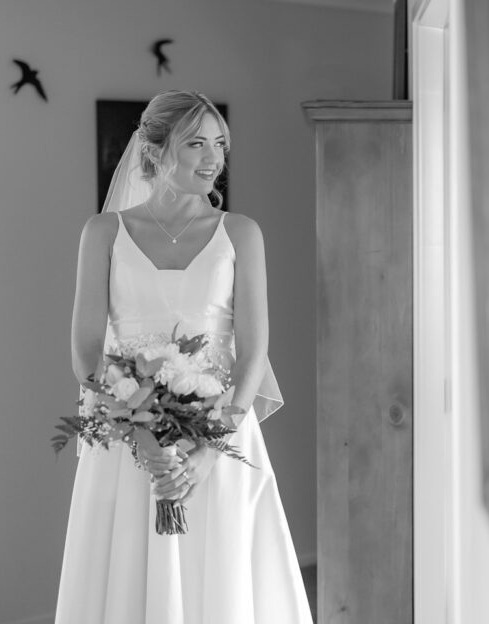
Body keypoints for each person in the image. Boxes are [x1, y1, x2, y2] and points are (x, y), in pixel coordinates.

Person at [57, 90, 312, 623]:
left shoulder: (241, 233)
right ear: (153, 152)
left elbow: (253, 351)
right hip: (127, 448)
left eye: (220, 142)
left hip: (218, 438)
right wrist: (147, 439)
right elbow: (86, 353)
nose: (213, 157)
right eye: (196, 142)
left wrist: (207, 451)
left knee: (218, 586)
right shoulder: (102, 233)